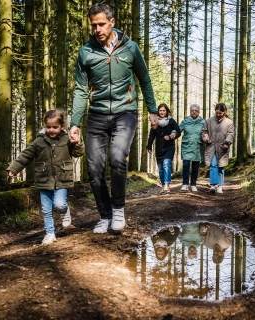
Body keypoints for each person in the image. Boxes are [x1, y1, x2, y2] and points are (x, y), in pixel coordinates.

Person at [68, 3, 158, 234]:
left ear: (112, 22)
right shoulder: (86, 52)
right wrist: (75, 123)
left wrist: (152, 109)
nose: (97, 29)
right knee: (94, 169)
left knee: (118, 158)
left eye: (101, 24)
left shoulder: (130, 48)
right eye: (94, 25)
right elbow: (80, 89)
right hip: (97, 115)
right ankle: (105, 215)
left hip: (125, 112)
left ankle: (118, 209)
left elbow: (144, 80)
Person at [7, 110, 84, 245]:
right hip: (44, 180)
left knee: (60, 203)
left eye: (55, 127)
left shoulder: (67, 140)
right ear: (45, 126)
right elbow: (26, 156)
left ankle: (64, 211)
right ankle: (50, 233)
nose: (51, 130)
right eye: (48, 127)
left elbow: (78, 153)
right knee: (46, 209)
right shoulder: (39, 142)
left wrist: (77, 142)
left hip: (62, 179)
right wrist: (14, 168)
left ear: (62, 126)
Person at [201, 103, 235, 194]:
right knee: (213, 165)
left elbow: (230, 134)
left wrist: (227, 142)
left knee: (221, 167)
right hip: (211, 146)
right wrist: (206, 138)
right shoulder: (209, 121)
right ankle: (212, 185)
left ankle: (220, 186)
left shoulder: (229, 122)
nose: (218, 115)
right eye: (217, 113)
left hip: (222, 147)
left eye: (220, 113)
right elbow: (204, 132)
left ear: (224, 112)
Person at [147, 104, 180, 194]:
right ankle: (163, 186)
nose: (162, 112)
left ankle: (166, 184)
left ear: (167, 111)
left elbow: (178, 132)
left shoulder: (171, 121)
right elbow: (151, 136)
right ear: (158, 111)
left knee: (166, 164)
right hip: (159, 149)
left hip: (169, 147)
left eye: (163, 110)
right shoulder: (155, 122)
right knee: (161, 169)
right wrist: (149, 146)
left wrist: (170, 137)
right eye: (160, 110)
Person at [179, 104, 205, 192]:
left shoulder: (203, 122)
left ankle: (193, 184)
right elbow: (178, 130)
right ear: (190, 111)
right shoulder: (185, 121)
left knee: (195, 167)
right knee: (186, 165)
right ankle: (185, 184)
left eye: (196, 110)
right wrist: (173, 133)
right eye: (192, 110)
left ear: (199, 112)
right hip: (187, 147)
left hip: (197, 147)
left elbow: (207, 132)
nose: (194, 112)